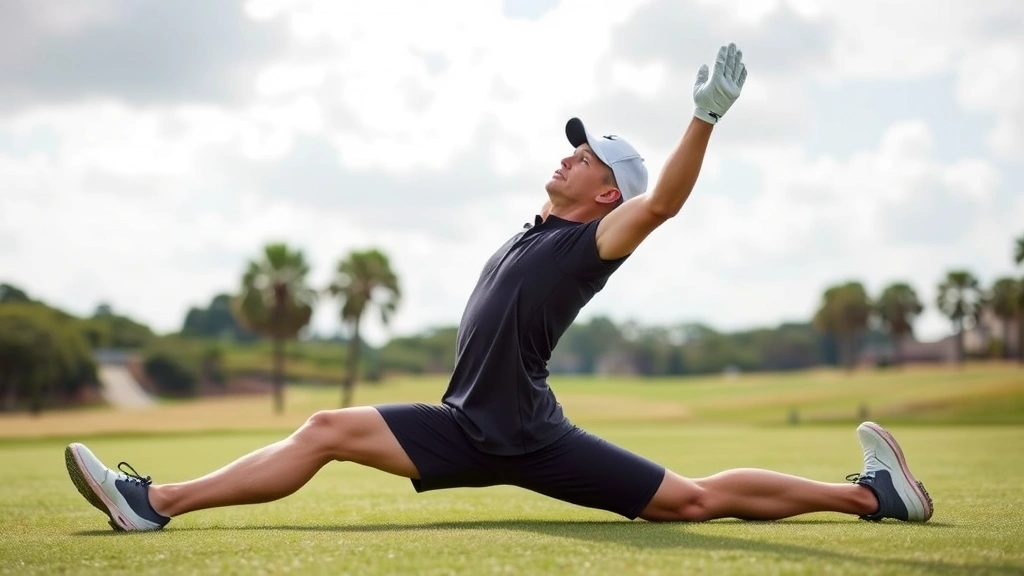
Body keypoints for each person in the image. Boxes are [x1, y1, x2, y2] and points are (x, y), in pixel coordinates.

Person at [64, 43, 933, 532]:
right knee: (325, 427)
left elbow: (663, 202)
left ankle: (868, 496)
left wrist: (702, 118)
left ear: (606, 193)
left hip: (524, 433)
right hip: (464, 425)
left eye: (586, 154)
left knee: (689, 500)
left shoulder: (599, 238)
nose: (568, 154)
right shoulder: (534, 231)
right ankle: (154, 503)